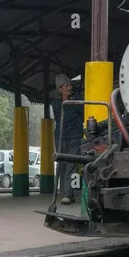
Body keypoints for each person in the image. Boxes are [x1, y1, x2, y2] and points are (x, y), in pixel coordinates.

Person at [51, 74, 84, 205]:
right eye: (66, 86)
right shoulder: (56, 102)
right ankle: (66, 192)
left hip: (75, 136)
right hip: (60, 136)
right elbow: (59, 117)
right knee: (61, 164)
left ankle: (69, 194)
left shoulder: (78, 100)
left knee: (72, 164)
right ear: (60, 88)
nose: (70, 88)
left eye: (70, 85)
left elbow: (82, 117)